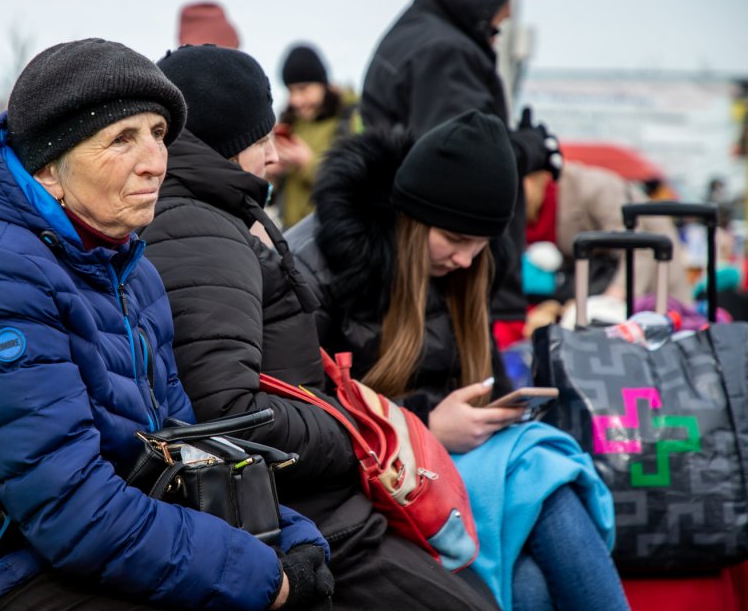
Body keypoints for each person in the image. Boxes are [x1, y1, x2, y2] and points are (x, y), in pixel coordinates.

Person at [0, 38, 334, 611]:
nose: (155, 160)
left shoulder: (127, 269)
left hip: (57, 542)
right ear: (49, 169)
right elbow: (69, 508)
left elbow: (182, 453)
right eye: (121, 139)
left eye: (158, 134)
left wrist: (292, 536)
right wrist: (262, 576)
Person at [141, 44, 500, 611]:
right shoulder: (200, 231)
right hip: (318, 518)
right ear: (229, 145)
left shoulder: (209, 220)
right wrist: (348, 430)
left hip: (321, 506)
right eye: (263, 140)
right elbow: (227, 411)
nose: (274, 157)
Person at [286, 110, 627, 611]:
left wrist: (489, 411)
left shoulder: (462, 266)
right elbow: (305, 420)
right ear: (413, 217)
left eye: (482, 245)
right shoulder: (319, 265)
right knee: (543, 479)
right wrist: (425, 427)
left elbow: (472, 373)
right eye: (457, 240)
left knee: (534, 560)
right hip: (365, 487)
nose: (467, 260)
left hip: (439, 469)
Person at [360, 0, 563, 347]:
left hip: (424, 271)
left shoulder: (411, 36)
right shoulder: (445, 52)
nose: (506, 13)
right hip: (452, 285)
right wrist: (534, 148)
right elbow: (462, 164)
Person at [522, 160, 692, 306]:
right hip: (599, 282)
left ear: (535, 177)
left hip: (653, 272)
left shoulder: (593, 187)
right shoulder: (530, 210)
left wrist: (616, 295)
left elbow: (638, 247)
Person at [271, 44, 362, 229]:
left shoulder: (352, 120)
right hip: (290, 235)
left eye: (303, 89)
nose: (295, 100)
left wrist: (307, 163)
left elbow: (357, 184)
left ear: (323, 84)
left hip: (334, 235)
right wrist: (271, 173)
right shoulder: (291, 123)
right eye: (290, 91)